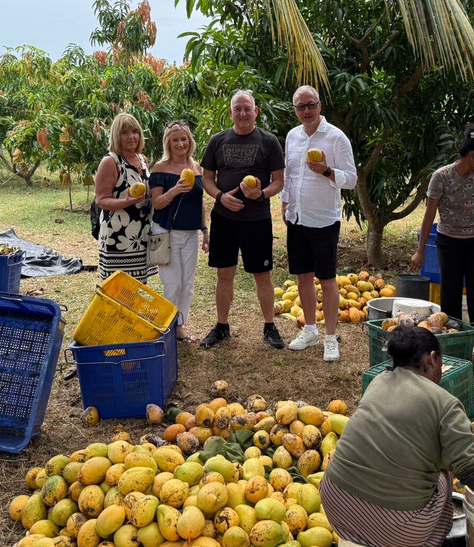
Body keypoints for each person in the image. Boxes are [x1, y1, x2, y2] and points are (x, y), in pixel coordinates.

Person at [321, 325, 474, 547]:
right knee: (443, 479)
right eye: (440, 362)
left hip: (335, 504)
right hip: (390, 527)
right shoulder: (445, 404)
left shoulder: (379, 381)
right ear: (431, 359)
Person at [411, 124, 474, 361]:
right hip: (450, 243)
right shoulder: (441, 177)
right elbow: (429, 216)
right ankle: (454, 347)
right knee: (451, 296)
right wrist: (420, 251)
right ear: (471, 155)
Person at [199, 89, 286, 349]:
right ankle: (222, 326)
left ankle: (269, 326)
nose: (243, 113)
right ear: (231, 113)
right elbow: (207, 178)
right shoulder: (217, 140)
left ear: (256, 111)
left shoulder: (269, 141)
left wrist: (261, 193)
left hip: (256, 220)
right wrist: (220, 196)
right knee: (225, 273)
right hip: (224, 219)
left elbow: (278, 181)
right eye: (238, 108)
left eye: (248, 108)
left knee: (262, 274)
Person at [280, 85, 357, 362]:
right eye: (301, 106)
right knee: (303, 276)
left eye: (310, 104)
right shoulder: (292, 136)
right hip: (297, 218)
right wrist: (285, 201)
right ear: (295, 110)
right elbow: (289, 174)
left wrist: (326, 170)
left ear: (320, 105)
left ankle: (330, 337)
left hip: (323, 219)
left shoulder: (335, 138)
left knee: (327, 279)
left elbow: (351, 179)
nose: (306, 111)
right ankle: (311, 330)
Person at [149, 120, 209, 343]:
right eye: (175, 140)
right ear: (168, 143)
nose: (180, 143)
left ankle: (180, 325)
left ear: (190, 141)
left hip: (191, 233)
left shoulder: (196, 168)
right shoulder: (160, 168)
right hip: (167, 232)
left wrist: (204, 229)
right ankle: (167, 326)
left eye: (184, 139)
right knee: (172, 283)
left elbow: (199, 202)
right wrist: (174, 190)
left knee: (187, 283)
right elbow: (157, 203)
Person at [92, 112, 156, 283]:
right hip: (118, 237)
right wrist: (126, 202)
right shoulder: (111, 162)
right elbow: (101, 199)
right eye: (124, 132)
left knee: (138, 285)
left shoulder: (142, 159)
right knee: (118, 288)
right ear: (116, 135)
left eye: (135, 131)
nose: (131, 137)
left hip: (140, 237)